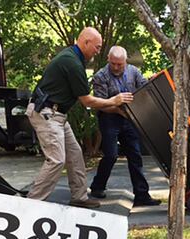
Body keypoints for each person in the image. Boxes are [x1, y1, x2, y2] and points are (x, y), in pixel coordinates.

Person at [26, 27, 133, 208]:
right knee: (57, 160)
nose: (98, 51)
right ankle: (31, 204)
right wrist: (114, 101)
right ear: (85, 42)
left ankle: (79, 197)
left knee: (75, 156)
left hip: (57, 115)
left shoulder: (73, 57)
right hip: (47, 113)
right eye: (97, 47)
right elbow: (87, 101)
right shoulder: (72, 63)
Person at [89, 46, 161, 207]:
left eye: (119, 64)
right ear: (108, 59)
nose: (116, 67)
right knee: (111, 155)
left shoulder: (134, 72)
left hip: (129, 119)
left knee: (135, 155)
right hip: (109, 118)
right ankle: (97, 186)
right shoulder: (100, 76)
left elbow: (143, 88)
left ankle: (141, 195)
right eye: (113, 63)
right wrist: (118, 109)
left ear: (125, 61)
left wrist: (153, 81)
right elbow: (99, 104)